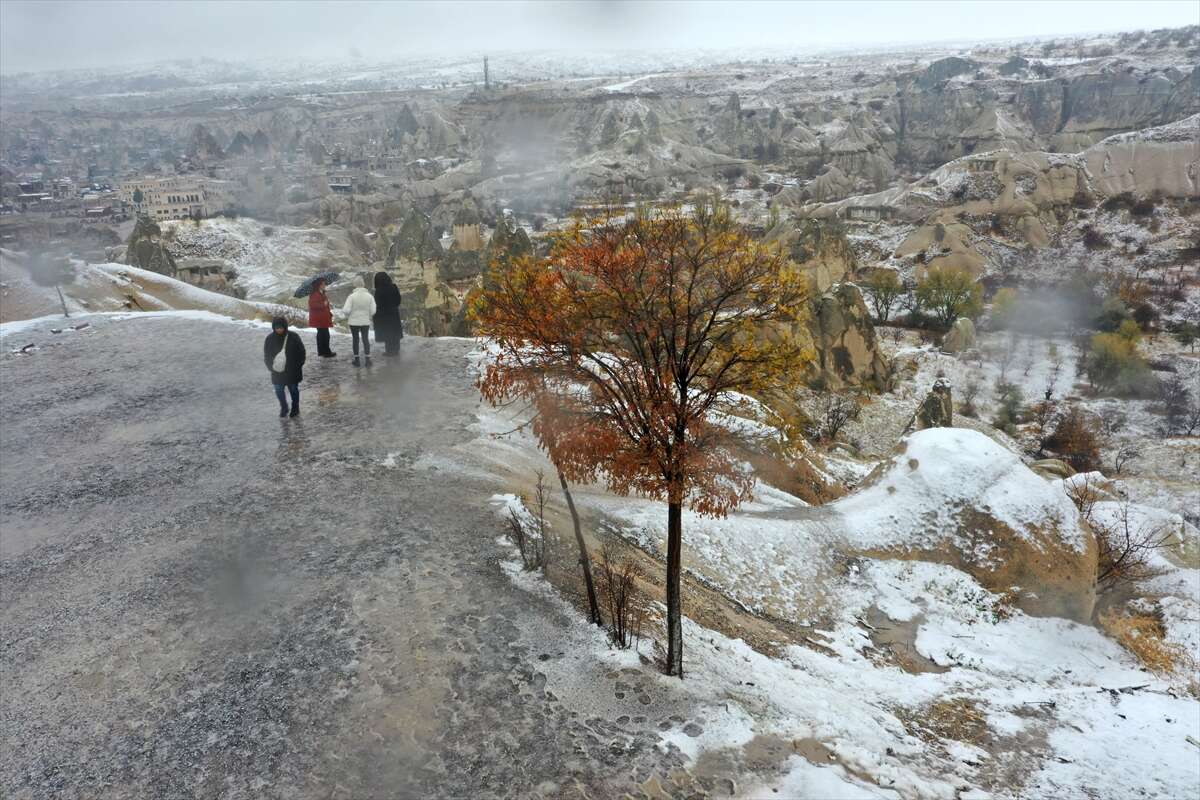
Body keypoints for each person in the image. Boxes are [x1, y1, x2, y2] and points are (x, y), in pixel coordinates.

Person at [264, 316, 306, 417]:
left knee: (293, 390)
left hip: (292, 370)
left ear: (285, 327)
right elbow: (267, 355)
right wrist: (271, 367)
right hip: (277, 371)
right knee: (278, 390)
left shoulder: (294, 337)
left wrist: (298, 366)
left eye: (281, 327)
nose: (279, 330)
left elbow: (301, 352)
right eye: (277, 328)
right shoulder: (269, 339)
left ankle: (295, 408)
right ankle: (284, 407)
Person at [342, 275, 377, 367]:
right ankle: (368, 360)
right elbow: (373, 310)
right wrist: (368, 316)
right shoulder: (369, 296)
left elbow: (346, 310)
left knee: (355, 340)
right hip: (365, 321)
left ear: (355, 285)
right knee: (365, 339)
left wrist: (348, 315)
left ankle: (357, 360)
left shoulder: (351, 297)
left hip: (353, 322)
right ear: (363, 284)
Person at [373, 271, 403, 356]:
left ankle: (389, 351)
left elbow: (378, 304)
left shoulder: (378, 290)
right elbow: (398, 300)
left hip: (384, 316)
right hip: (394, 314)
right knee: (395, 332)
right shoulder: (394, 287)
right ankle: (396, 349)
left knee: (387, 333)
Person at [307, 278, 336, 358]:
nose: (325, 285)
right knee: (324, 335)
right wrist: (324, 304)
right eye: (323, 284)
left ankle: (323, 351)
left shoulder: (321, 293)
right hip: (319, 319)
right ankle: (326, 352)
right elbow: (313, 305)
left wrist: (326, 303)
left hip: (322, 318)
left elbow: (324, 303)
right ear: (319, 285)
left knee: (323, 335)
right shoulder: (314, 294)